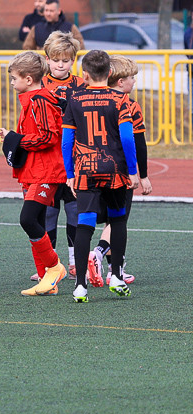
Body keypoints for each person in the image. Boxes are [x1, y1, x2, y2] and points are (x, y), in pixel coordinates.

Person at [61, 50, 138, 303]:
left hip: (85, 169)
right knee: (117, 221)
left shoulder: (74, 98)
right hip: (114, 169)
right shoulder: (120, 99)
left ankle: (80, 286)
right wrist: (133, 170)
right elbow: (127, 137)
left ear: (84, 75)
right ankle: (116, 276)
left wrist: (70, 173)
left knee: (85, 224)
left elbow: (67, 141)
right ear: (109, 73)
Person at [0, 52, 68, 296]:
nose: (12, 82)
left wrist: (17, 140)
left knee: (28, 219)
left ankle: (55, 268)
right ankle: (45, 280)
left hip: (46, 171)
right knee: (34, 222)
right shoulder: (32, 99)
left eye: (14, 78)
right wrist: (12, 137)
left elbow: (49, 136)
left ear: (28, 79)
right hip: (34, 169)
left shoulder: (40, 100)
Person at [87, 56, 153, 287]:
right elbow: (138, 142)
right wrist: (142, 175)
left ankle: (112, 267)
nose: (134, 81)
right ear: (121, 81)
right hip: (121, 169)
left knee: (108, 220)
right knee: (119, 219)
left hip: (94, 167)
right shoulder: (129, 104)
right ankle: (102, 257)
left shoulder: (92, 99)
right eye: (132, 77)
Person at [37, 31, 84, 279]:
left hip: (74, 159)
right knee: (49, 211)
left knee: (75, 210)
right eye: (56, 59)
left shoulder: (80, 85)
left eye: (66, 60)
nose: (60, 64)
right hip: (48, 159)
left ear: (73, 61)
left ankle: (75, 261)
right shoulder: (40, 83)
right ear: (47, 59)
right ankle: (50, 264)